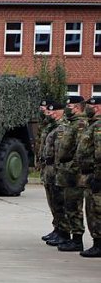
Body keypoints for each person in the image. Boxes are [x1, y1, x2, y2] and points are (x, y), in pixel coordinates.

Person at [54, 95, 89, 252]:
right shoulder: (71, 124)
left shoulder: (80, 124)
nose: (67, 109)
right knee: (68, 206)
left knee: (74, 207)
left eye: (70, 106)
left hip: (73, 174)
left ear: (77, 107)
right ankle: (69, 237)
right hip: (66, 172)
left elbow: (80, 150)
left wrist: (73, 168)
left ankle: (77, 240)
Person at [76, 97, 100, 257]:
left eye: (92, 105)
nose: (89, 108)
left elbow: (99, 153)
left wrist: (98, 177)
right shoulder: (92, 125)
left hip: (96, 175)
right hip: (89, 174)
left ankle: (99, 244)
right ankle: (96, 243)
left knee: (96, 211)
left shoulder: (98, 127)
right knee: (91, 210)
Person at [42, 102, 69, 246]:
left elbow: (61, 151)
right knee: (53, 201)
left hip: (57, 169)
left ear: (61, 112)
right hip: (49, 168)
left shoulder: (63, 127)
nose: (51, 113)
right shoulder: (52, 126)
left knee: (59, 202)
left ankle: (63, 232)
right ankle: (57, 229)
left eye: (54, 111)